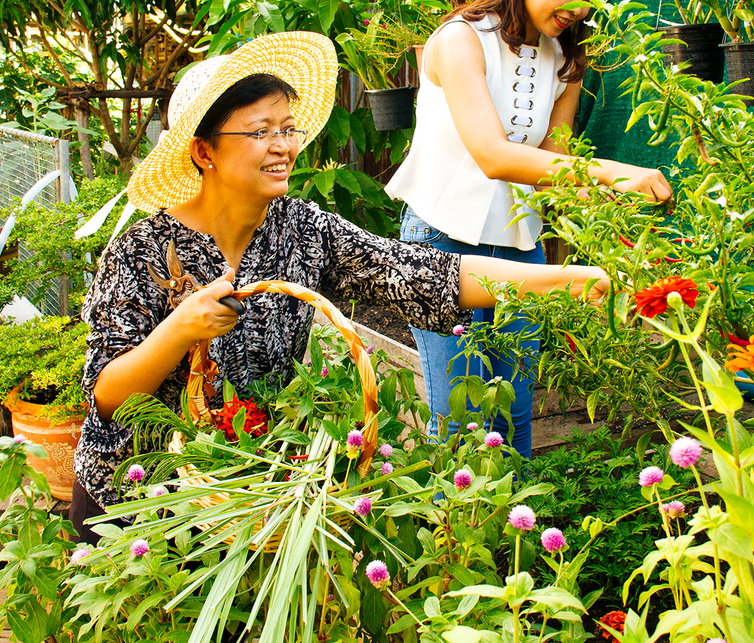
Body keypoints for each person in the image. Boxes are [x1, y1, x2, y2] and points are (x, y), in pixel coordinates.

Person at [70, 31, 613, 542]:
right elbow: (107, 395)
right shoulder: (143, 249)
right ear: (204, 151)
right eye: (260, 132)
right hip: (134, 510)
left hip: (237, 498)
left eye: (288, 128)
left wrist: (564, 280)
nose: (283, 146)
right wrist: (179, 329)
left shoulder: (299, 230)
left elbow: (425, 274)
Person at [385, 0, 673, 459]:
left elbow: (551, 161)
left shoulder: (567, 59)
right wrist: (617, 174)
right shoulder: (459, 40)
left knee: (516, 413)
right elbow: (494, 155)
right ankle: (458, 541)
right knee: (461, 417)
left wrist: (610, 217)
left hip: (520, 245)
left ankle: (516, 542)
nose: (580, 9)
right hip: (442, 245)